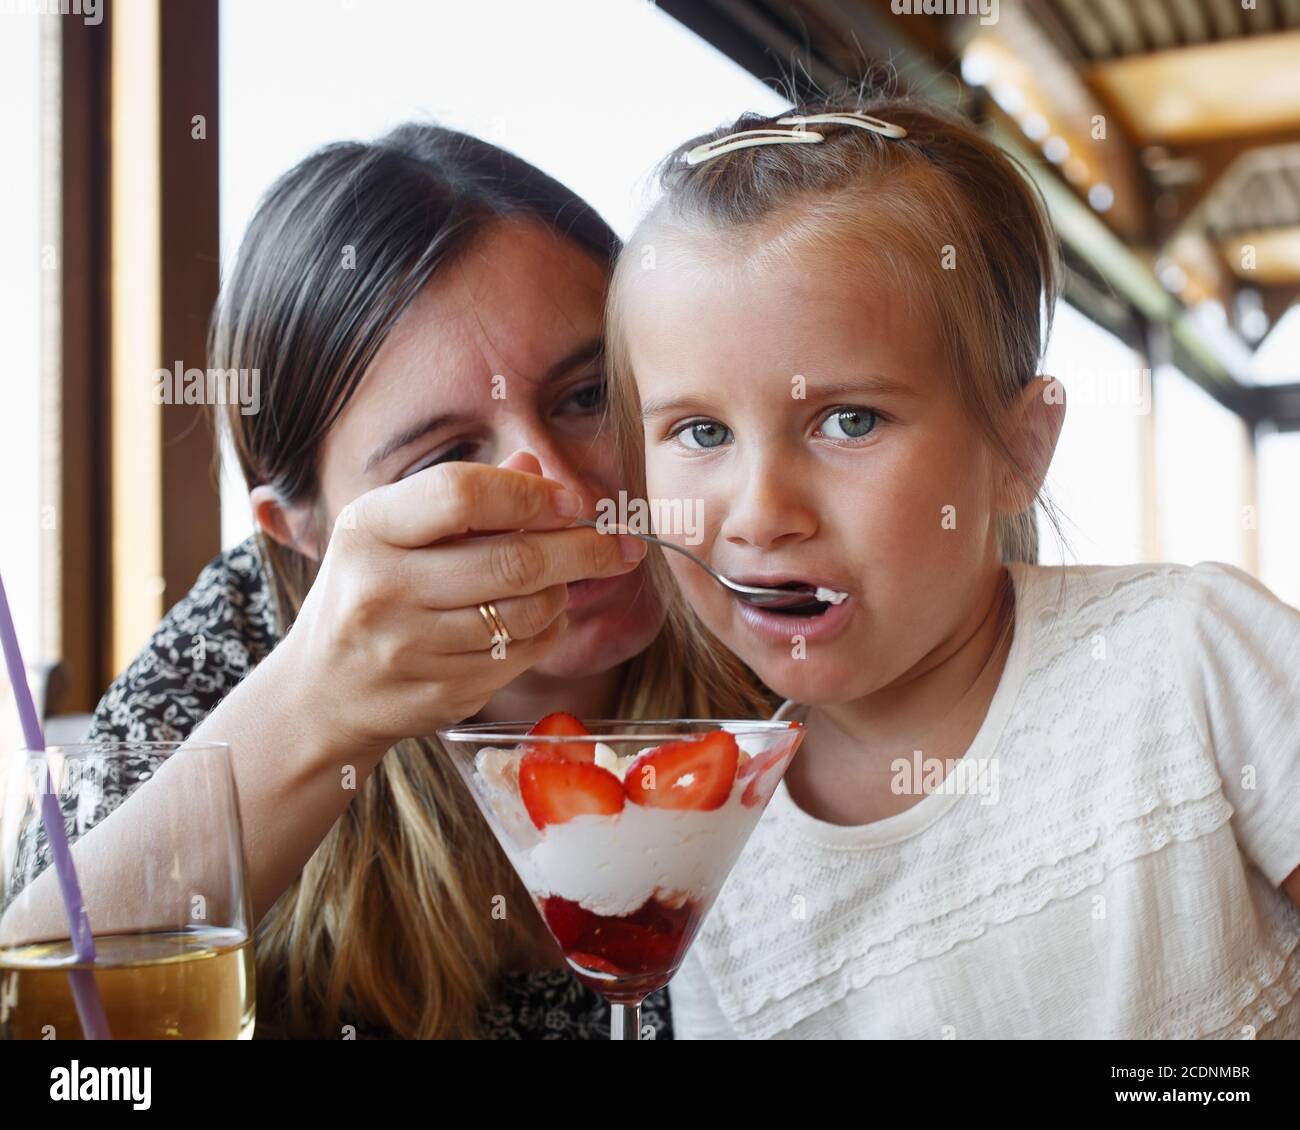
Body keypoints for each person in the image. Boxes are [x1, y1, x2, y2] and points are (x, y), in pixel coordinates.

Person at [604, 94, 1300, 1038]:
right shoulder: (705, 864)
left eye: (849, 421)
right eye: (700, 431)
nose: (763, 513)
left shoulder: (1188, 658)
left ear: (1017, 450)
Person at [77, 123, 768, 1039]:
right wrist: (319, 705)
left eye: (590, 395)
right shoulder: (245, 639)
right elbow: (51, 1017)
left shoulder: (778, 586)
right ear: (304, 535)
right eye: (444, 460)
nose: (560, 492)